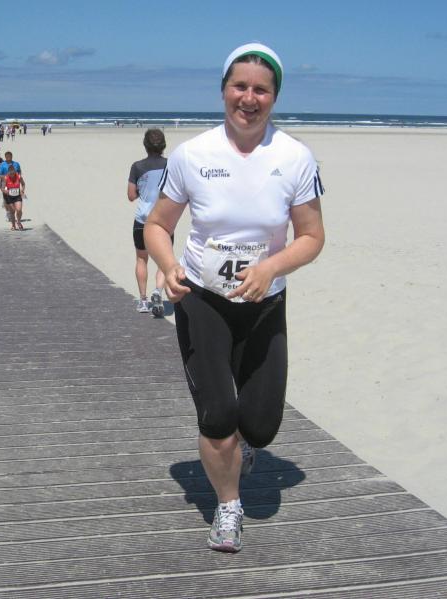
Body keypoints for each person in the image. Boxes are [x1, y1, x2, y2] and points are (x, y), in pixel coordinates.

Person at [144, 42, 325, 553]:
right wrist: (168, 265)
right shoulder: (192, 155)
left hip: (264, 303)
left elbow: (312, 237)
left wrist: (270, 267)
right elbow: (157, 225)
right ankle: (228, 505)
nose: (249, 98)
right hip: (203, 298)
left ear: (275, 97)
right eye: (239, 86)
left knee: (261, 427)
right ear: (223, 90)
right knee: (219, 415)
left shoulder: (294, 157)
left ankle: (244, 450)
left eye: (260, 90)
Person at [127, 129, 169, 315]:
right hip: (163, 220)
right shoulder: (170, 165)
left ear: (145, 145)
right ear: (163, 145)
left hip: (142, 219)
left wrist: (142, 189)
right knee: (163, 261)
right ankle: (158, 291)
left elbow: (131, 195)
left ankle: (143, 301)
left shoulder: (137, 166)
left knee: (141, 259)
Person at [1, 165, 26, 230]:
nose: (12, 175)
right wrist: (5, 191)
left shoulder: (19, 176)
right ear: (8, 172)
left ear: (15, 172)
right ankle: (13, 225)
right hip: (9, 196)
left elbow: (23, 184)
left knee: (19, 210)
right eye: (10, 174)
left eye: (13, 173)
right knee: (12, 211)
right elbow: (2, 188)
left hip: (17, 196)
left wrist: (22, 190)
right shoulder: (6, 178)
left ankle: (18, 222)